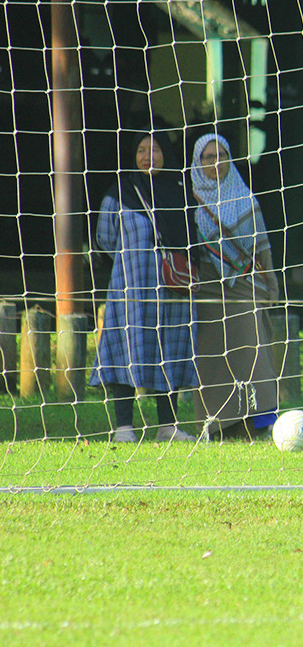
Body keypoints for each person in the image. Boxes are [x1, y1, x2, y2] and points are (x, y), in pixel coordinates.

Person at [90, 126, 200, 443]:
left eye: (154, 150)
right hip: (130, 289)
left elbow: (192, 236)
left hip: (172, 291)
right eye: (141, 150)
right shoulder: (119, 192)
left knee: (171, 351)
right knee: (124, 350)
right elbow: (105, 240)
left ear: (166, 153)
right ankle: (123, 426)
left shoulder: (181, 191)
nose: (147, 157)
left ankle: (168, 425)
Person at [189, 132, 280, 440]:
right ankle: (217, 427)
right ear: (197, 162)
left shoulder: (245, 197)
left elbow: (262, 244)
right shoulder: (189, 199)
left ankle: (263, 423)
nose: (216, 163)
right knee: (213, 360)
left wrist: (272, 282)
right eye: (208, 157)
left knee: (254, 356)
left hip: (245, 285)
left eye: (222, 156)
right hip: (207, 289)